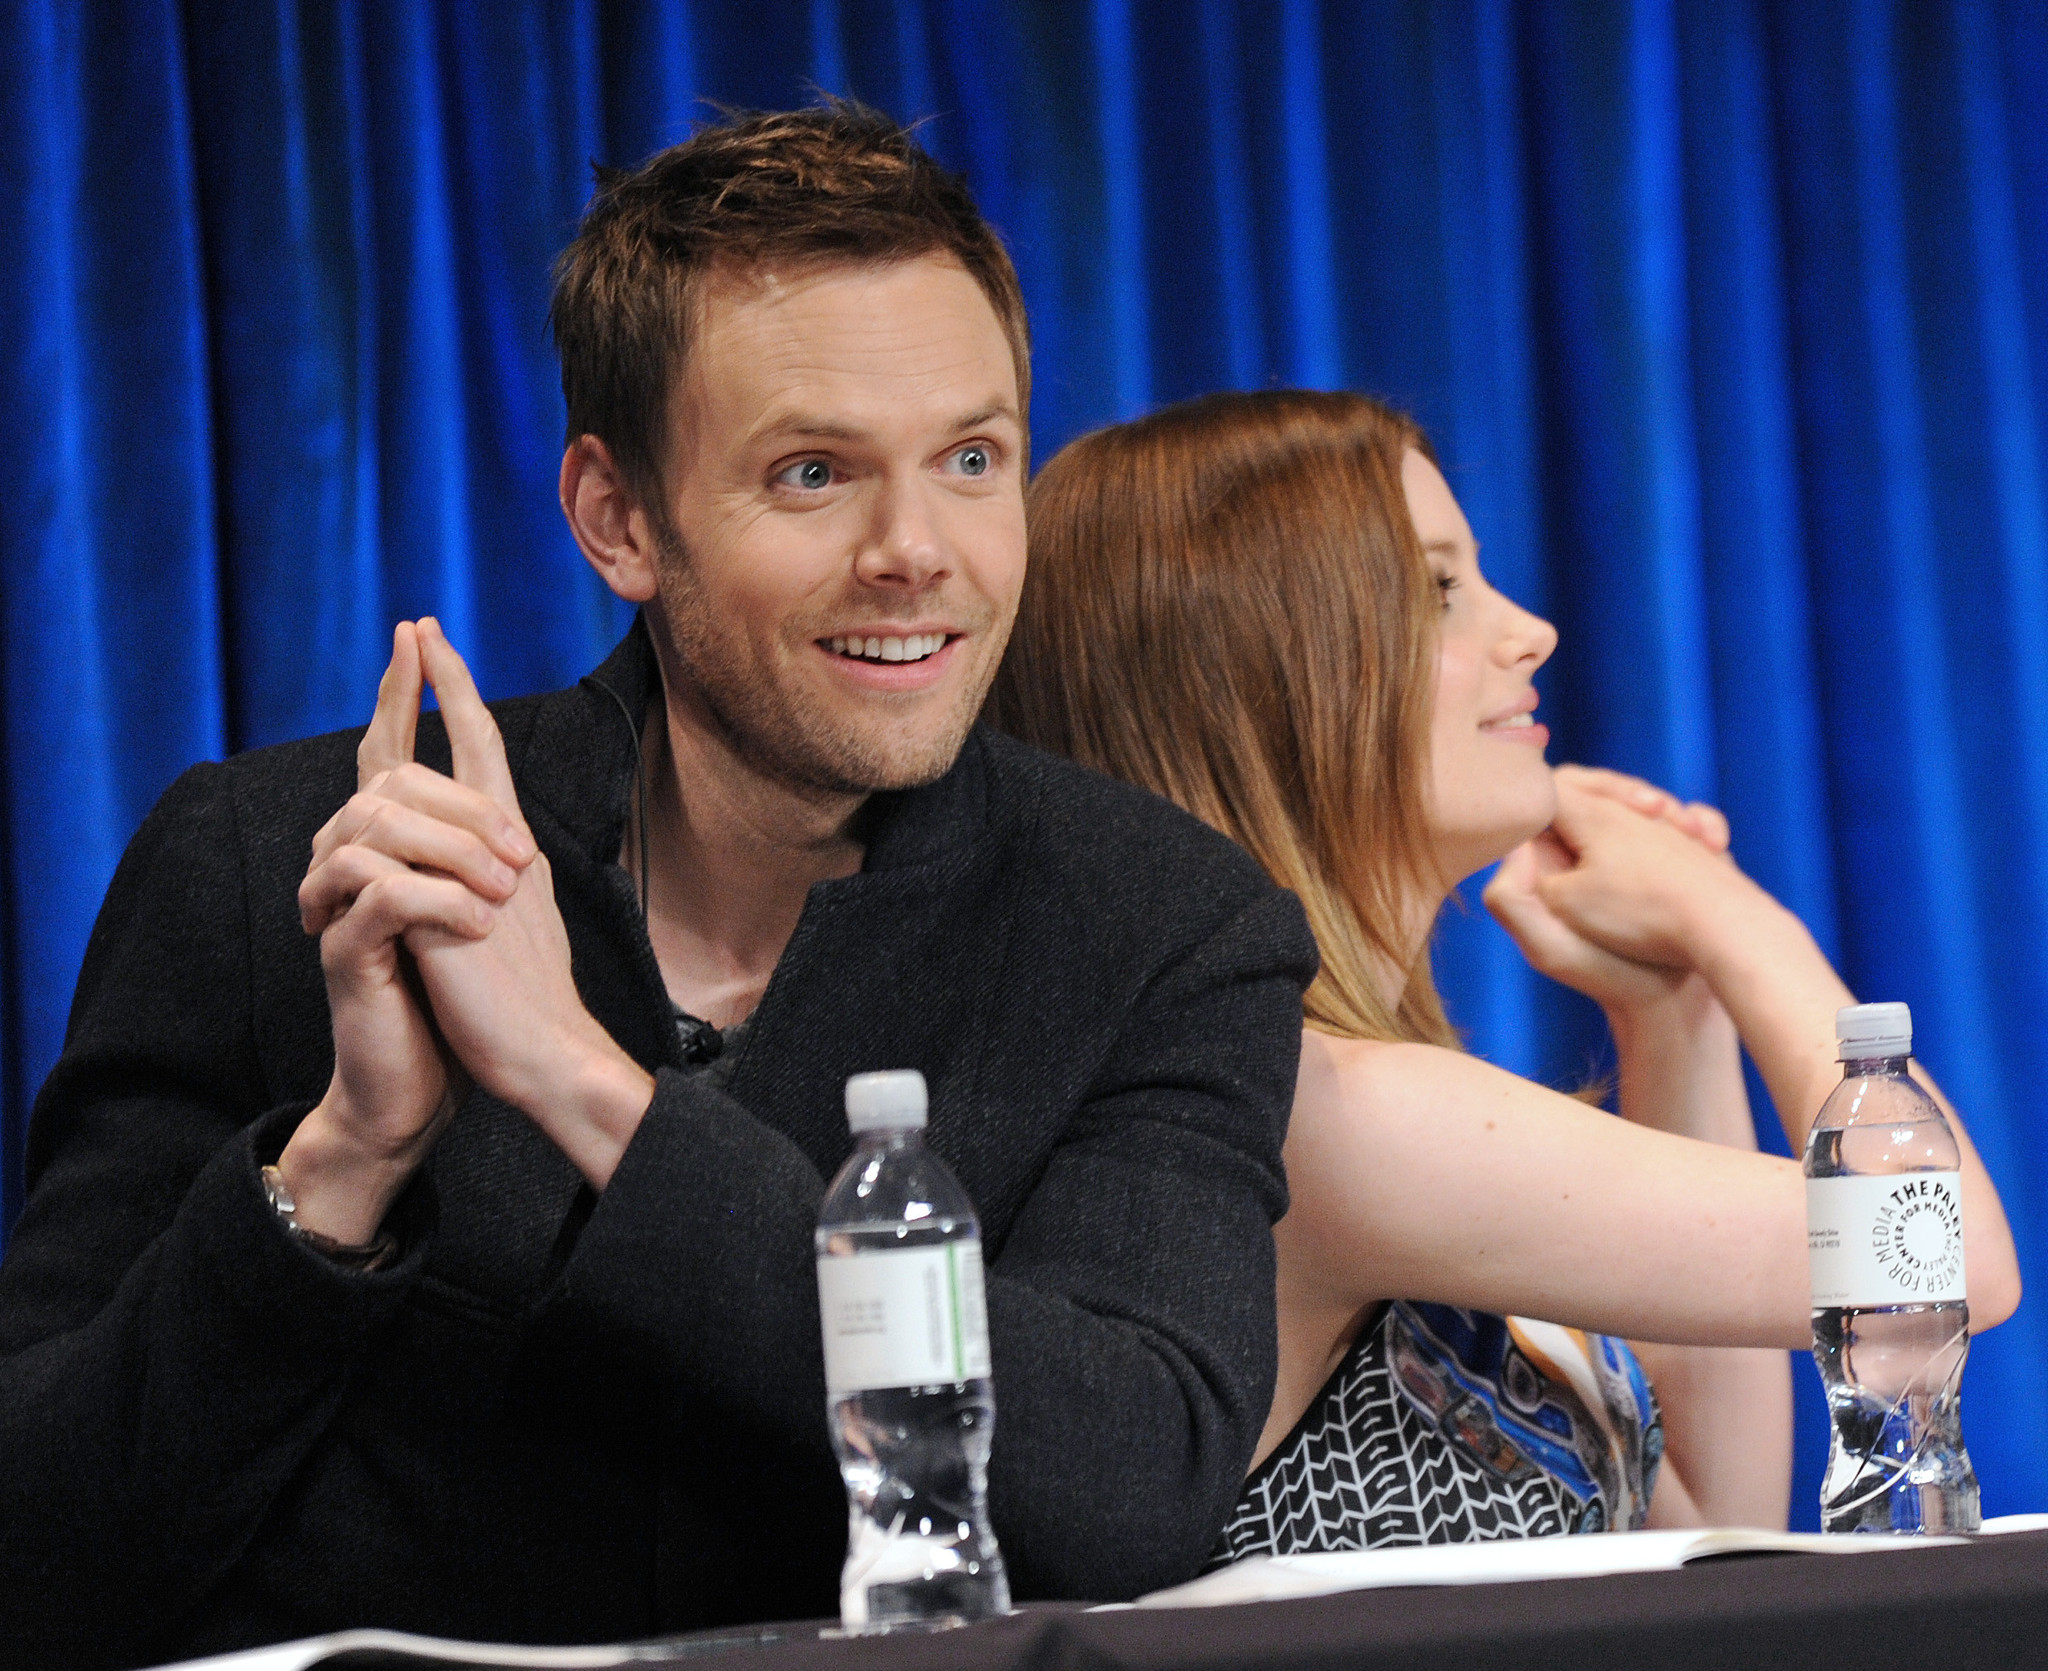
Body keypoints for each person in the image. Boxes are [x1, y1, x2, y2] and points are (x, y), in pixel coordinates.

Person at [0, 110, 1319, 1668]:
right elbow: (38, 1561)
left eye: (972, 458)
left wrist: (580, 1082)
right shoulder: (270, 859)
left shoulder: (1165, 926)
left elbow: (1127, 1490)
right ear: (618, 518)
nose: (918, 551)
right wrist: (343, 1161)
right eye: (814, 472)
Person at [990, 388, 2021, 1553]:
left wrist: (1668, 1006)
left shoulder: (1362, 1090)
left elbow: (1701, 1530)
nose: (1528, 629)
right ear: (1260, 677)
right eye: (1438, 591)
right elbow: (1941, 1261)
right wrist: (1737, 922)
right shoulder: (1315, 1105)